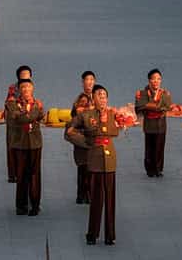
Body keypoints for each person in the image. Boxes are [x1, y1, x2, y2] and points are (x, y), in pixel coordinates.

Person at [66, 84, 121, 246]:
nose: (102, 98)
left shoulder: (113, 114)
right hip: (95, 158)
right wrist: (85, 142)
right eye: (99, 95)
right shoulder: (85, 115)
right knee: (96, 199)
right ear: (93, 99)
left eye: (104, 96)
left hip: (109, 159)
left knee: (111, 199)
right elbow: (69, 130)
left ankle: (110, 235)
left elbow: (117, 130)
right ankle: (92, 234)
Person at [7, 79, 44, 216]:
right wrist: (31, 116)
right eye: (23, 87)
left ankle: (35, 204)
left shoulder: (38, 103)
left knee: (35, 174)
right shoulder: (12, 104)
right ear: (19, 90)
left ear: (33, 88)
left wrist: (24, 115)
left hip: (35, 143)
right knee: (21, 175)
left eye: (28, 87)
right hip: (20, 143)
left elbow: (39, 114)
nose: (26, 90)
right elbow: (16, 117)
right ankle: (21, 205)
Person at [134, 69, 172, 178]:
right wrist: (154, 107)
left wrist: (150, 106)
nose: (156, 81)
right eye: (154, 79)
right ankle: (149, 169)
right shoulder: (142, 93)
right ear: (149, 80)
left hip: (161, 124)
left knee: (160, 147)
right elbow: (139, 106)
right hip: (149, 124)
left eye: (158, 79)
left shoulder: (164, 93)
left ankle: (158, 169)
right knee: (149, 147)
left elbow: (167, 106)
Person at [71, 71, 96, 204]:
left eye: (92, 79)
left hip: (91, 137)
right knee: (84, 166)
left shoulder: (96, 97)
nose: (90, 82)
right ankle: (84, 195)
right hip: (82, 137)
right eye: (87, 79)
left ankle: (84, 195)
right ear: (82, 82)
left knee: (89, 166)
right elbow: (78, 116)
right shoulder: (81, 99)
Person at [5, 65, 32, 183]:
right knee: (12, 146)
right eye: (23, 77)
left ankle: (23, 172)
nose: (25, 79)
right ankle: (13, 174)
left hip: (25, 119)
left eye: (27, 76)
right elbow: (11, 104)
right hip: (13, 119)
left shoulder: (30, 86)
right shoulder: (13, 88)